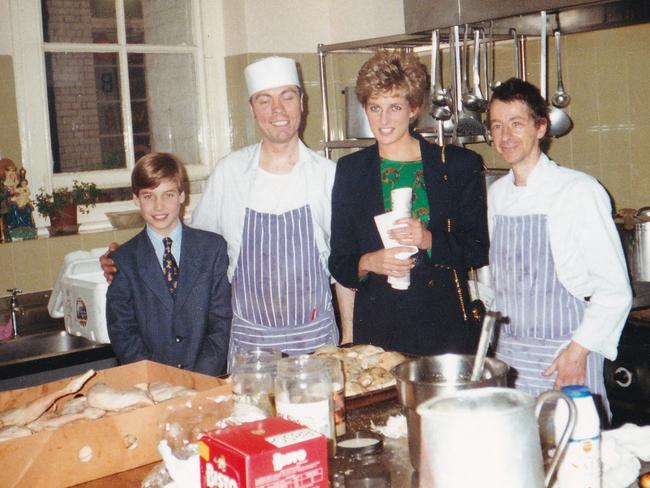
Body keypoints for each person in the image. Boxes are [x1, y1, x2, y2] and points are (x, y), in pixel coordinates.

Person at [102, 56, 344, 368]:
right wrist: (121, 260)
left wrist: (349, 337)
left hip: (316, 343)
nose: (278, 111)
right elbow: (191, 247)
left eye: (287, 96)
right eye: (264, 100)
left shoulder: (329, 175)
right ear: (252, 109)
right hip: (250, 347)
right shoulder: (230, 173)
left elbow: (348, 267)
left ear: (302, 101)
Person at [485, 77, 632, 415]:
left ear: (541, 127)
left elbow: (614, 291)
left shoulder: (578, 191)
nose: (505, 136)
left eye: (516, 124)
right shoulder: (498, 195)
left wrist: (577, 353)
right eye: (497, 126)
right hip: (509, 359)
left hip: (563, 357)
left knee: (573, 457)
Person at [329, 50, 489, 356]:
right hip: (378, 328)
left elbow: (478, 248)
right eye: (375, 107)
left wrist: (429, 239)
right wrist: (369, 262)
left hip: (443, 325)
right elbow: (339, 260)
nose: (383, 120)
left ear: (413, 108)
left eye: (395, 107)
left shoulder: (456, 165)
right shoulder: (351, 171)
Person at [105, 153, 232, 376]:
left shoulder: (212, 249)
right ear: (136, 200)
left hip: (206, 377)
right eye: (148, 196)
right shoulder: (122, 260)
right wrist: (161, 380)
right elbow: (123, 332)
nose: (159, 206)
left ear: (183, 196)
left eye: (168, 194)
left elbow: (221, 323)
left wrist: (198, 378)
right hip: (152, 384)